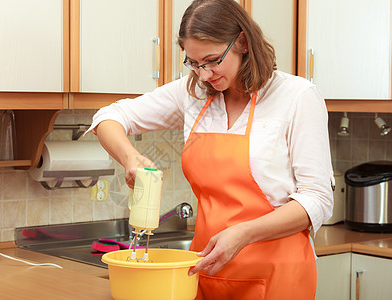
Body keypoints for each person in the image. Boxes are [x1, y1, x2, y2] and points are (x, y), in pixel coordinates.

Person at [88, 0, 333, 299]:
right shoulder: (191, 93)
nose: (204, 74)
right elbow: (109, 117)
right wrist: (131, 158)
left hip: (278, 275)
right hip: (207, 270)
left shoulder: (296, 97)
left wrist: (243, 234)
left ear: (242, 42)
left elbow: (317, 200)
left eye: (213, 60)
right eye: (193, 62)